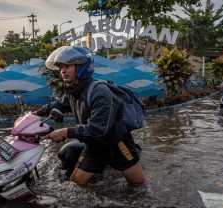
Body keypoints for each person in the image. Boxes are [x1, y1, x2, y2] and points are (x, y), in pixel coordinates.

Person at [34, 46, 146, 186]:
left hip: (117, 143)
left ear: (82, 67)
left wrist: (65, 131)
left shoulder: (100, 92)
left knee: (137, 186)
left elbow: (98, 130)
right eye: (61, 67)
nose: (63, 71)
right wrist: (35, 114)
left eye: (68, 66)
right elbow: (60, 104)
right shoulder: (74, 90)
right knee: (76, 183)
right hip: (95, 144)